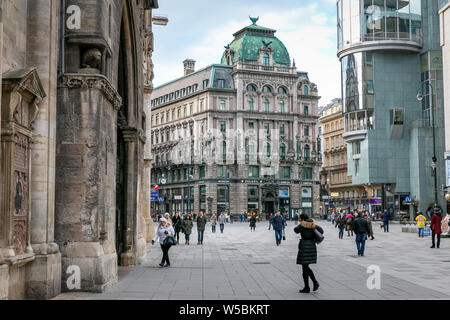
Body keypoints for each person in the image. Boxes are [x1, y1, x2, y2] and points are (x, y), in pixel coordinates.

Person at [294, 213, 323, 293]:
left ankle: (315, 282)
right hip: (312, 245)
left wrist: (301, 224)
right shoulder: (313, 224)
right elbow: (321, 231)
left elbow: (295, 230)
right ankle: (306, 287)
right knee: (304, 267)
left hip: (304, 246)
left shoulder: (302, 225)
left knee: (305, 266)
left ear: (302, 218)